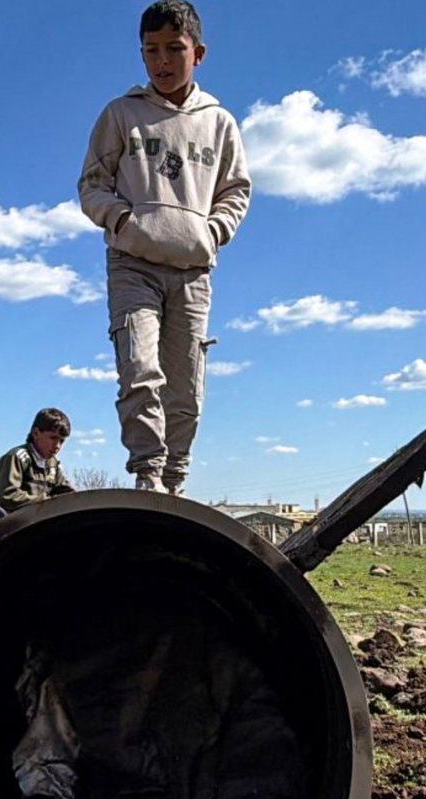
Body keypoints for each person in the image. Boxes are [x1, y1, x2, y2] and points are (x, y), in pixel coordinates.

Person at [77, 0, 251, 494]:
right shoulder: (120, 114)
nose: (162, 61)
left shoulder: (219, 122)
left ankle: (175, 481)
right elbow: (92, 184)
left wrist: (212, 231)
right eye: (151, 50)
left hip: (193, 271)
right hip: (133, 264)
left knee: (187, 386)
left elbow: (236, 189)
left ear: (198, 52)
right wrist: (123, 220)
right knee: (139, 367)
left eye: (174, 48)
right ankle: (148, 475)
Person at [0, 408, 76, 512]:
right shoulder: (17, 458)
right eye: (53, 438)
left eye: (61, 441)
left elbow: (67, 494)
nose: (57, 446)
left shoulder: (52, 465)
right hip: (6, 521)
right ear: (36, 433)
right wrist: (46, 502)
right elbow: (7, 497)